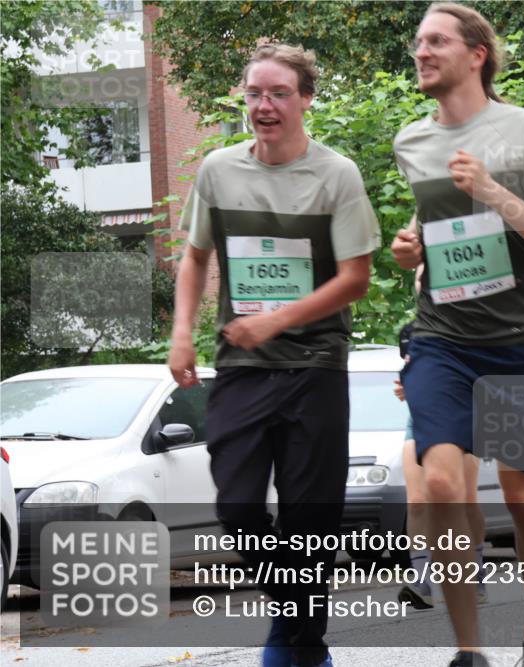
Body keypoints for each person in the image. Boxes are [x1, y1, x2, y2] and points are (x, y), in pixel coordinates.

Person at [168, 43, 380, 667]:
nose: (264, 105)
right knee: (237, 506)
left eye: (279, 93)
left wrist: (278, 320)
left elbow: (356, 279)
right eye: (255, 93)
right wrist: (182, 332)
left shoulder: (336, 174)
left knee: (310, 524)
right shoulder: (218, 170)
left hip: (316, 366)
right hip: (242, 367)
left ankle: (299, 646)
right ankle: (298, 630)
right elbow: (195, 258)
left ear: (305, 99)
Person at [391, 4, 524, 666]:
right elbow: (441, 226)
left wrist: (493, 190)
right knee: (443, 483)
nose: (421, 51)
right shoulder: (412, 142)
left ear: (476, 54)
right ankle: (469, 647)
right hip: (442, 338)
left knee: (520, 486)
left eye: (436, 41)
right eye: (418, 42)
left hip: (519, 339)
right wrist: (415, 249)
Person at [394, 320, 488, 610]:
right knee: (417, 501)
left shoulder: (462, 332)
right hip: (420, 420)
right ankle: (422, 582)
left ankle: (475, 573)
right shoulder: (411, 335)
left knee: (465, 501)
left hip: (461, 418)